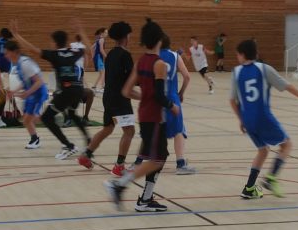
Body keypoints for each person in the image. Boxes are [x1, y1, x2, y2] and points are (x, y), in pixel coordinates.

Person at [229, 39, 298, 199]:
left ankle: (249, 188)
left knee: (263, 150)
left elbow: (232, 101)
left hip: (248, 120)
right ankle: (271, 178)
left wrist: (241, 119)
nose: (237, 57)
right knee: (287, 145)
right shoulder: (264, 69)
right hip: (263, 117)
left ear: (242, 54)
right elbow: (287, 86)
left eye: (237, 54)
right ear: (255, 53)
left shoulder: (236, 72)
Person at [104, 19, 176, 212]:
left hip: (144, 115)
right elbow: (159, 96)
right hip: (155, 117)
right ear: (159, 40)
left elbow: (126, 91)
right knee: (156, 160)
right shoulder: (159, 64)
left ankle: (145, 199)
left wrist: (145, 96)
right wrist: (172, 107)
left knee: (160, 156)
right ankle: (119, 185)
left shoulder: (140, 62)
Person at [12, 19, 91, 159]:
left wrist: (16, 35)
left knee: (47, 118)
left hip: (66, 91)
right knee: (72, 114)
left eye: (51, 42)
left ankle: (68, 146)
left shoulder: (54, 55)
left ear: (54, 43)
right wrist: (81, 31)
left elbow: (32, 50)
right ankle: (89, 140)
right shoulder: (73, 51)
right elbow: (89, 50)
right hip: (79, 89)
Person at [78, 21, 136, 175]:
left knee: (108, 128)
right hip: (120, 98)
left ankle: (85, 155)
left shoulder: (110, 54)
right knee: (129, 131)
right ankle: (119, 166)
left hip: (108, 97)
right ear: (126, 36)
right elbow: (132, 80)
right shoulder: (125, 55)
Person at [159, 34, 197, 174]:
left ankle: (138, 162)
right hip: (172, 98)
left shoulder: (153, 56)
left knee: (153, 130)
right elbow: (187, 76)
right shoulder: (175, 56)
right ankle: (180, 164)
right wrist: (181, 93)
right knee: (179, 130)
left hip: (157, 99)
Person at [4, 41, 47, 149]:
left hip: (38, 92)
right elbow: (25, 82)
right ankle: (35, 139)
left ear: (14, 52)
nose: (6, 55)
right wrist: (14, 91)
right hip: (32, 93)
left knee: (28, 119)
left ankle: (48, 119)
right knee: (26, 119)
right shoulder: (17, 65)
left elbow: (39, 81)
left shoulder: (25, 63)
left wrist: (27, 93)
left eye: (7, 52)